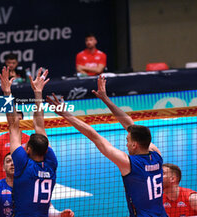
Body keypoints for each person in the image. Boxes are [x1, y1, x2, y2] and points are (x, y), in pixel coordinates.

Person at [47, 76, 167, 217]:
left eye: (127, 140)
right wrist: (105, 99)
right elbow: (130, 125)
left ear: (135, 144)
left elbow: (94, 136)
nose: (126, 144)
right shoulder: (156, 154)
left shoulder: (128, 163)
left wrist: (65, 114)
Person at [1, 66, 58, 216]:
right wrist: (38, 92)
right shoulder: (51, 163)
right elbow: (39, 125)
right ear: (46, 150)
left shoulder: (23, 163)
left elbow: (13, 125)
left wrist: (6, 92)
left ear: (28, 150)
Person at [0, 153, 74, 217]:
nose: (12, 163)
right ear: (3, 167)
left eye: (15, 161)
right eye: (8, 161)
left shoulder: (32, 184)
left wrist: (60, 214)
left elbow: (46, 208)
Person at [0, 111, 30, 181]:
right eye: (14, 119)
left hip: (24, 182)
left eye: (19, 120)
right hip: (3, 184)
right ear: (9, 121)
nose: (17, 122)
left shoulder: (29, 140)